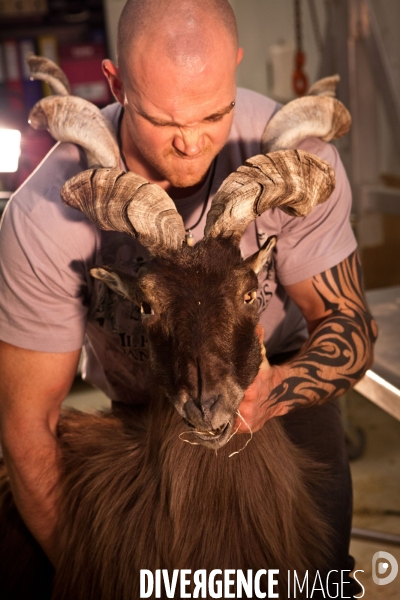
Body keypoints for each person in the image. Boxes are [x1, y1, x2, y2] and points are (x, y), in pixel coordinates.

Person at [0, 0, 376, 594]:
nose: (191, 144)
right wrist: (96, 576)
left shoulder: (297, 168)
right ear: (116, 85)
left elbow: (349, 325)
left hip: (277, 379)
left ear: (236, 66)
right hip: (141, 402)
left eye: (212, 115)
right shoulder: (47, 214)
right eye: (164, 121)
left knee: (314, 567)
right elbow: (27, 424)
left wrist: (275, 391)